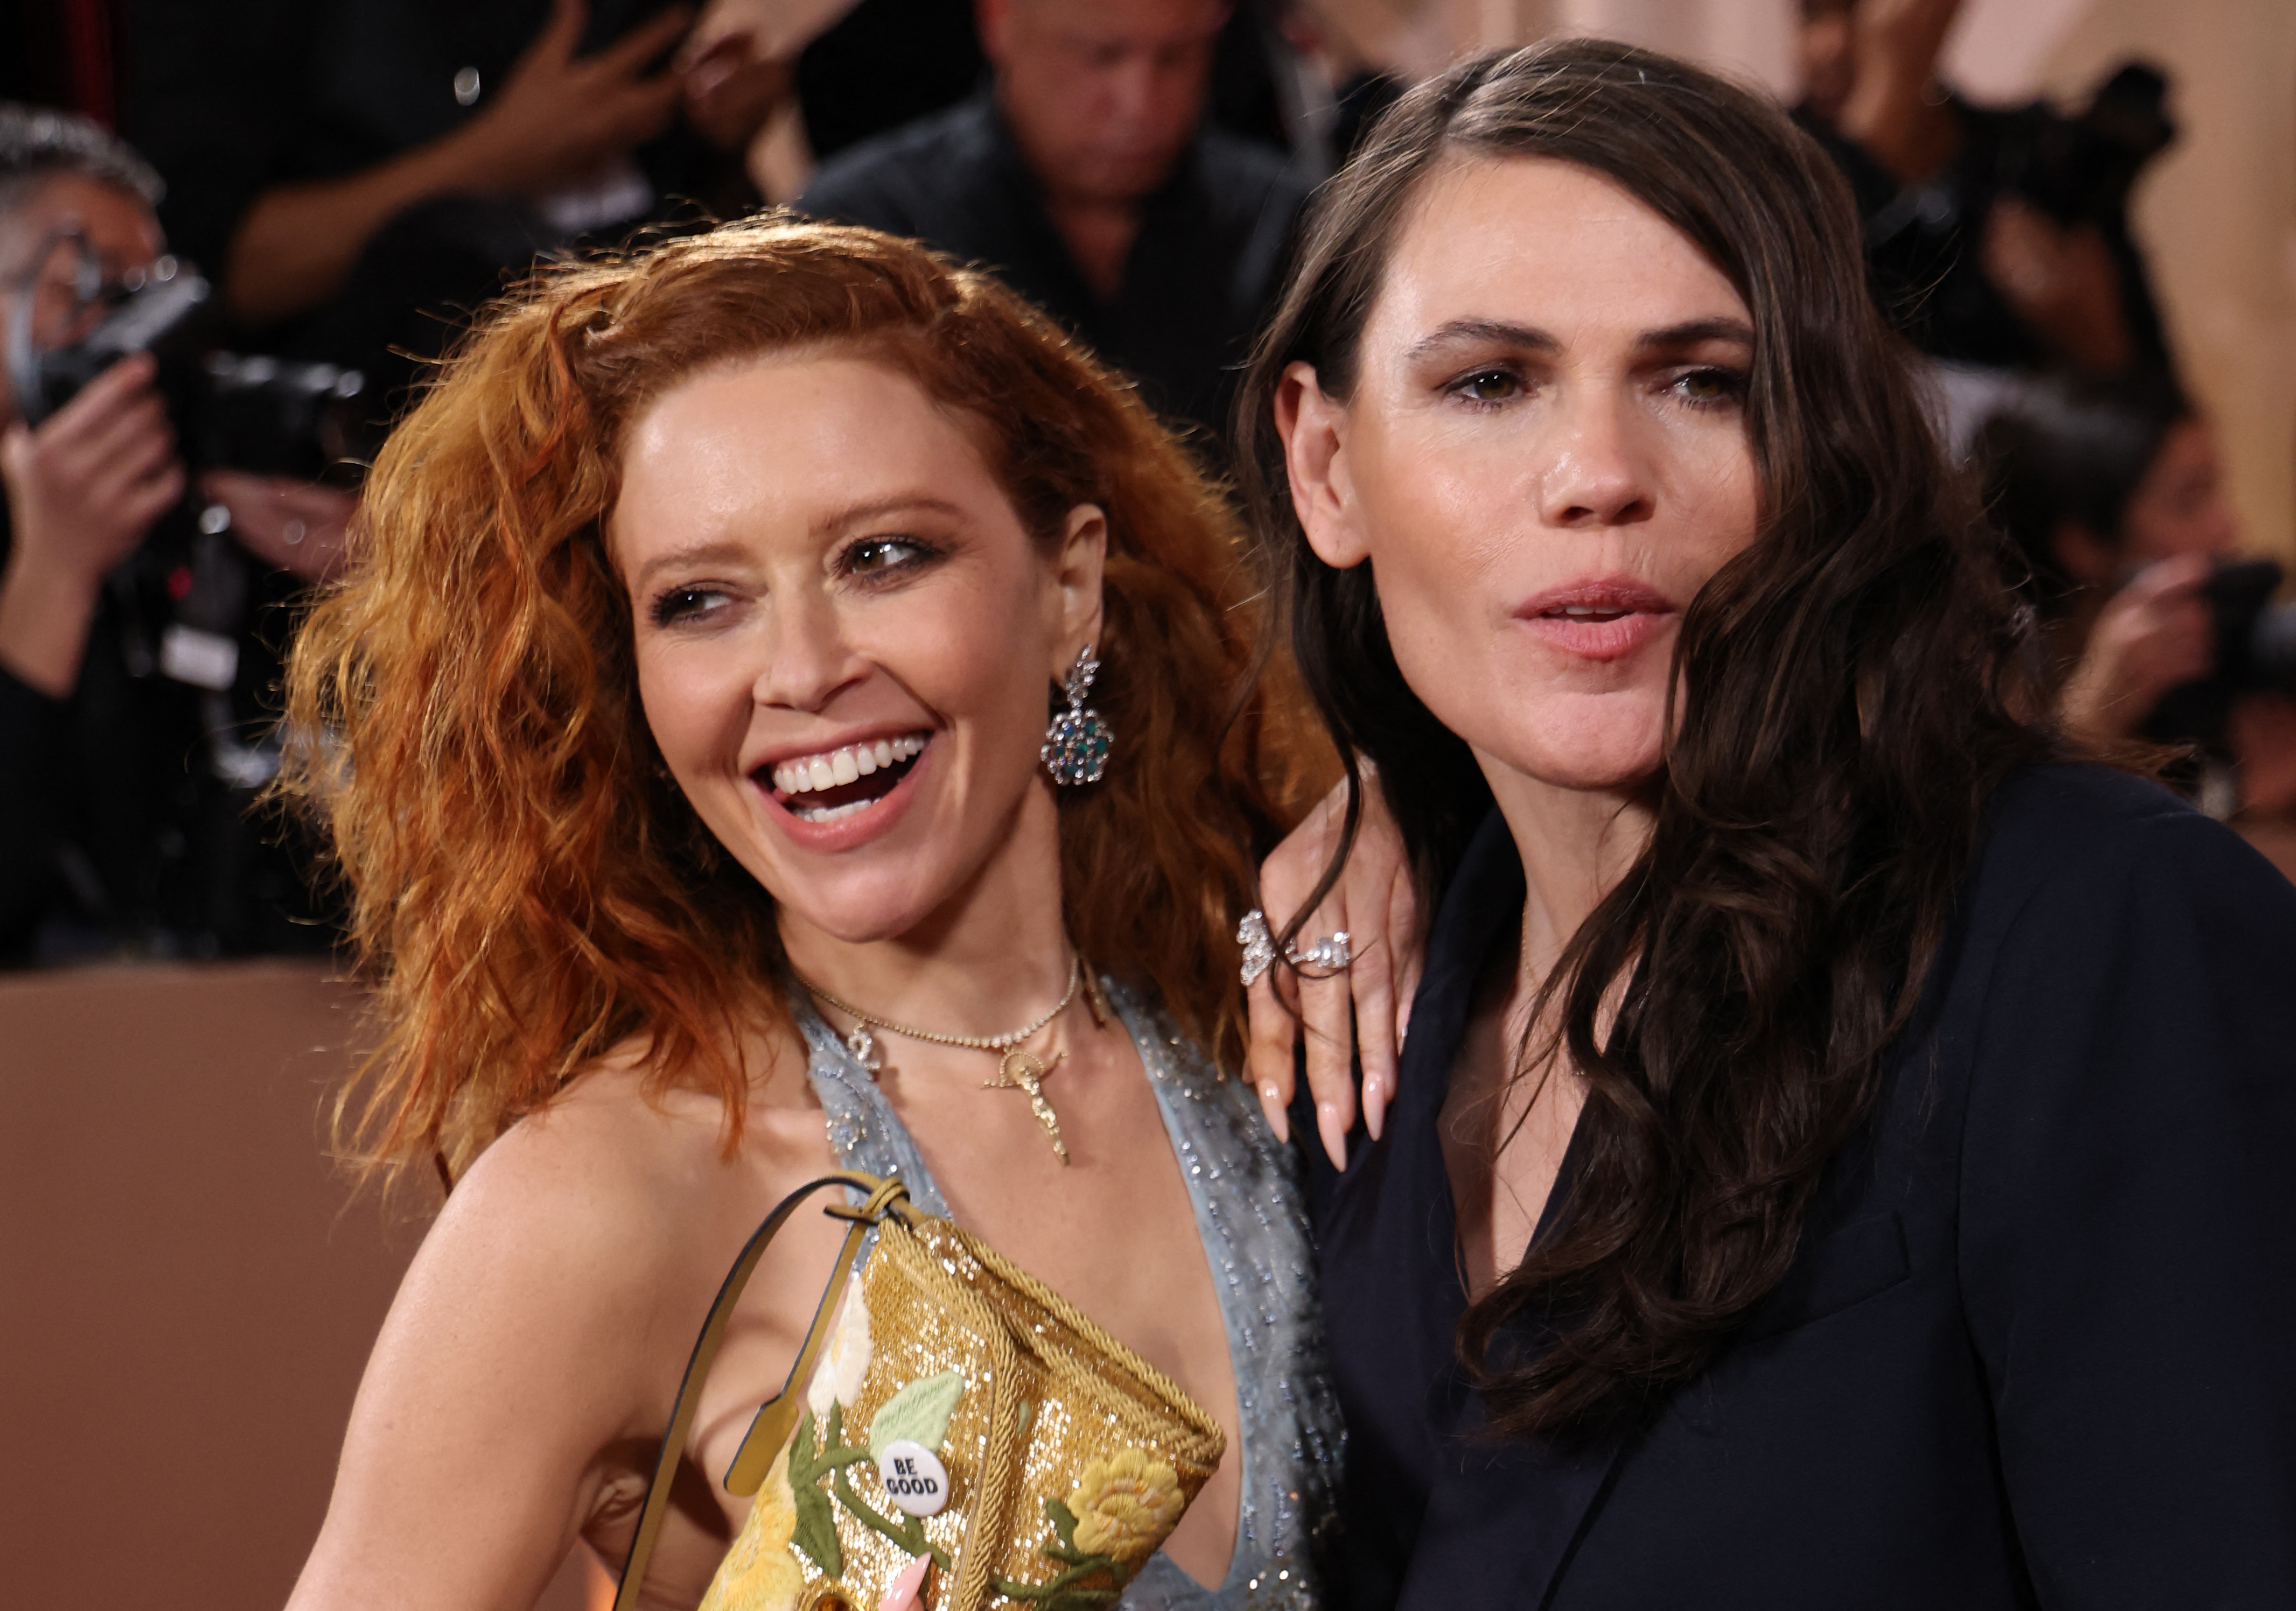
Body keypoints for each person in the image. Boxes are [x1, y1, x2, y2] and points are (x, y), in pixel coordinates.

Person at [1235, 40, 2296, 1607]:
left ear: (1821, 452)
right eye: (1491, 382)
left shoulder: (2101, 930)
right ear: (1326, 463)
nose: (1600, 474)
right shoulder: (1357, 999)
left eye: (1705, 381)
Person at [274, 218, 1340, 1608]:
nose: (801, 669)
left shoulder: (1279, 1024)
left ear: (1069, 586)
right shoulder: (602, 1192)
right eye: (701, 600)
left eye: (884, 557)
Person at [0, 106, 353, 959]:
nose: (135, 339)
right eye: (93, 284)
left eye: (153, 292)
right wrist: (54, 572)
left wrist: (378, 594)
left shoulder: (181, 519)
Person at [118, 0, 794, 397]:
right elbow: (218, 269)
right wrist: (490, 161)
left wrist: (714, 120)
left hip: (659, 363)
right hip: (395, 428)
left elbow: (670, 148)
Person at [794, 0, 1310, 448]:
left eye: (1176, 57)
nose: (1139, 104)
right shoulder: (864, 230)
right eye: (1101, 56)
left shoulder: (1287, 224)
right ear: (999, 24)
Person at [1976, 375, 2296, 818]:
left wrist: (2267, 810)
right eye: (2189, 501)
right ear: (2082, 544)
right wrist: (2095, 715)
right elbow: (2015, 853)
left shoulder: (2222, 657)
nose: (2228, 528)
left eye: (2218, 489)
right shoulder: (1997, 680)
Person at [1794, 0, 2172, 383]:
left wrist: (2093, 336)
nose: (1828, 44)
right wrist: (1890, 91)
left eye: (1857, 10)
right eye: (1812, 14)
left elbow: (2175, 420)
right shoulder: (1766, 166)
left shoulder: (2029, 158)